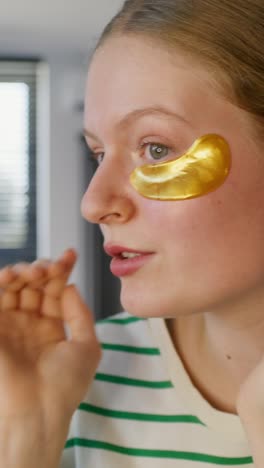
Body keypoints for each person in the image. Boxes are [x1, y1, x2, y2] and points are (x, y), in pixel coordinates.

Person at [0, 0, 263, 466]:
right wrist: (28, 438)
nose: (93, 204)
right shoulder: (74, 377)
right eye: (99, 154)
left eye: (156, 148)